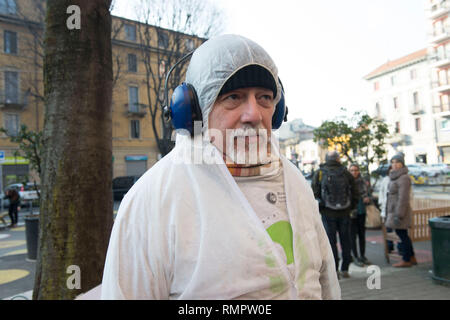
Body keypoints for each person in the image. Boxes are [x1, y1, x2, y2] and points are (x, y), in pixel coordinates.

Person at [101, 34, 340, 299]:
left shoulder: (293, 180)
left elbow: (324, 276)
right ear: (193, 110)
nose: (254, 115)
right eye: (233, 97)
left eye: (264, 98)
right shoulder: (154, 197)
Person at [312, 151, 358, 279]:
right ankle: (345, 269)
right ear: (338, 159)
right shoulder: (346, 172)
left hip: (328, 212)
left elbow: (314, 193)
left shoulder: (320, 173)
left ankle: (335, 270)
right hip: (345, 212)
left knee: (331, 242)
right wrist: (351, 207)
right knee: (346, 240)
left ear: (326, 159)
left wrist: (321, 207)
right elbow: (355, 192)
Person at [385, 153, 417, 267]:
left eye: (397, 162)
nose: (395, 165)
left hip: (400, 212)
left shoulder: (404, 178)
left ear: (402, 164)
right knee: (403, 234)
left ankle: (406, 259)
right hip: (394, 211)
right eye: (392, 162)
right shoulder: (395, 176)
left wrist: (399, 214)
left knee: (402, 235)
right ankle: (411, 257)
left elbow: (403, 198)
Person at [348, 164, 371, 267]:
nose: (354, 172)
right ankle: (355, 256)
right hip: (352, 212)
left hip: (362, 211)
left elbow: (368, 194)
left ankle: (363, 255)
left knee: (362, 235)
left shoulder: (363, 182)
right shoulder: (347, 182)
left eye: (356, 170)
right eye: (352, 170)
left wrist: (367, 198)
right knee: (352, 236)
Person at [378, 165, 394, 252]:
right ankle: (389, 246)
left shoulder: (398, 179)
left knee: (399, 231)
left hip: (395, 209)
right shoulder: (385, 180)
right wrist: (381, 204)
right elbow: (381, 192)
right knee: (388, 229)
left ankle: (400, 247)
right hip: (386, 208)